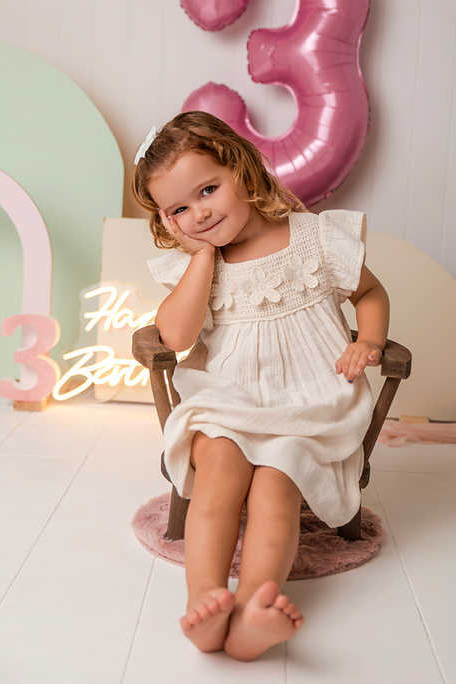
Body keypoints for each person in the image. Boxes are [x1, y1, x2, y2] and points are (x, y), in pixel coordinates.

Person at [131, 111, 389, 661]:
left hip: (308, 403)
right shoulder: (196, 265)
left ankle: (253, 609)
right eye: (179, 208)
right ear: (166, 221)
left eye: (208, 189)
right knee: (220, 469)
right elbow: (174, 336)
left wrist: (366, 341)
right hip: (229, 399)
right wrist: (202, 255)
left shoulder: (317, 238)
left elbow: (371, 293)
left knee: (278, 482)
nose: (199, 212)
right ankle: (206, 601)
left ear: (242, 170)